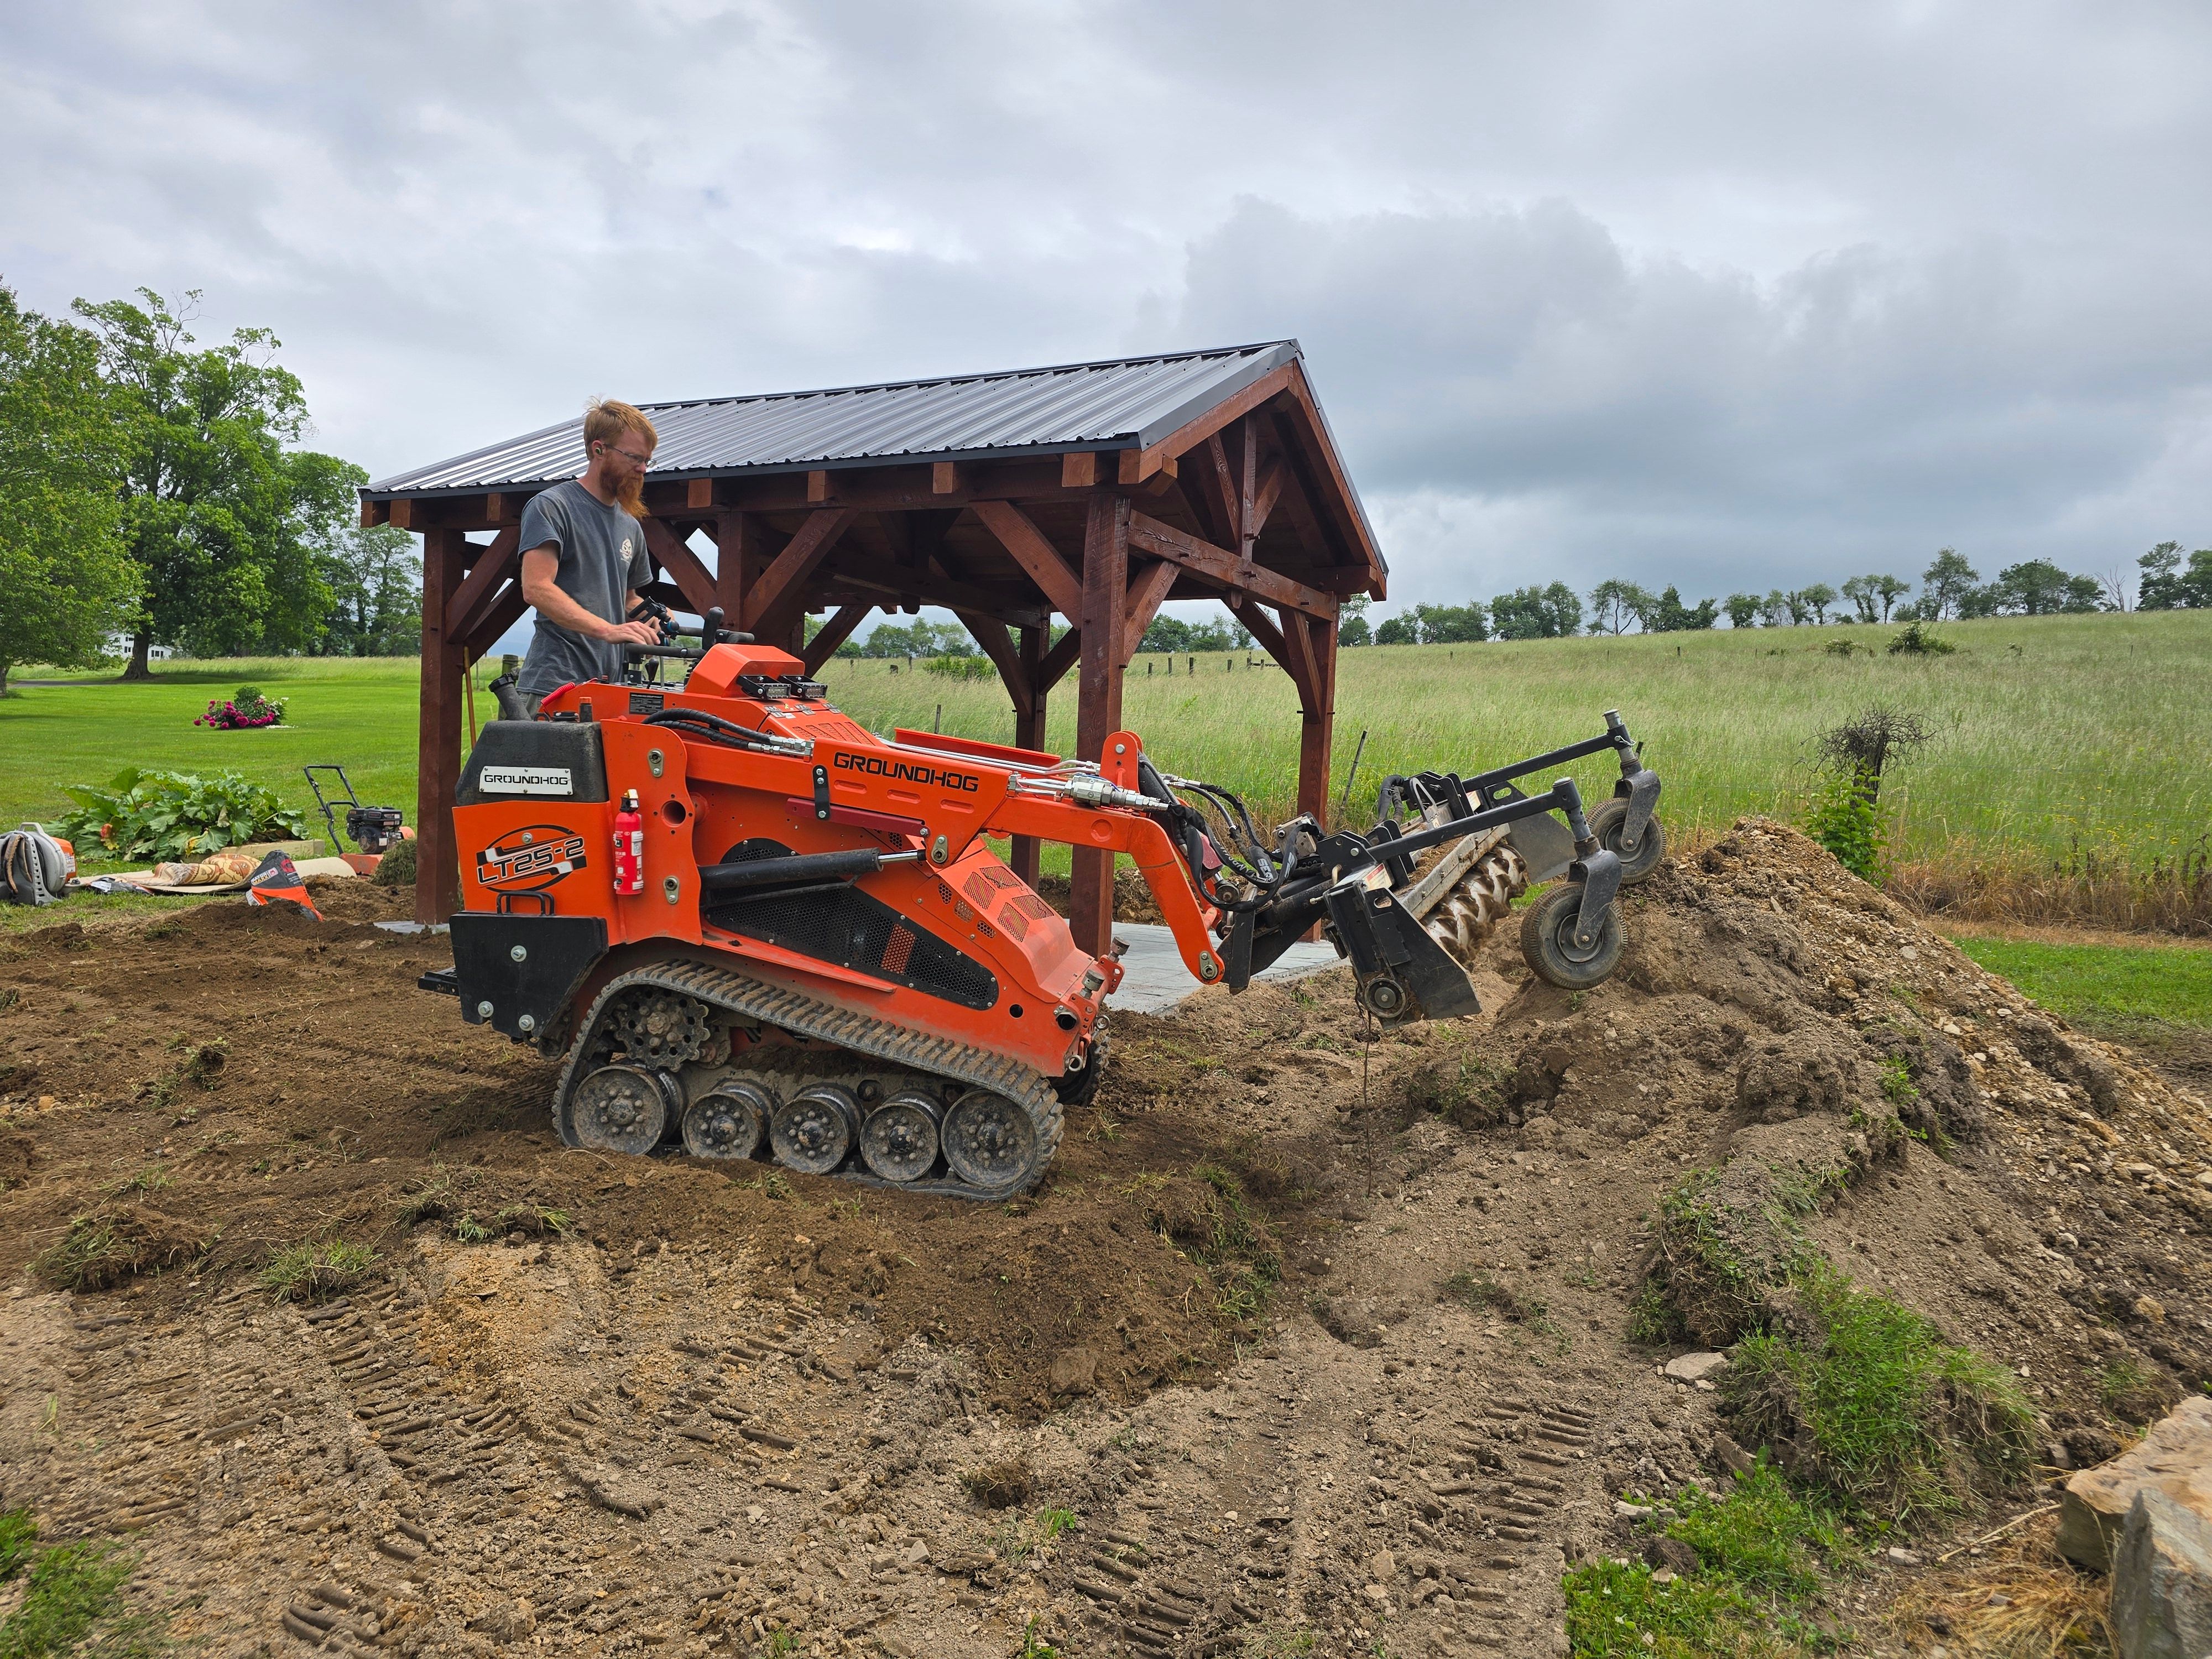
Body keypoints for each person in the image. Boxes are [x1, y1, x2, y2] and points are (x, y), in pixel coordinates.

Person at [513, 398, 667, 713]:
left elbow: (627, 600)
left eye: (647, 460)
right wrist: (608, 630)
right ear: (599, 450)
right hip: (554, 687)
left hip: (610, 689)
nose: (642, 469)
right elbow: (536, 588)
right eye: (634, 457)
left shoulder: (630, 525)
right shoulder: (552, 507)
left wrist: (652, 617)